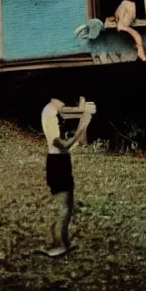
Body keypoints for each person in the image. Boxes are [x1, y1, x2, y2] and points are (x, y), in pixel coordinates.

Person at [42, 98, 93, 256]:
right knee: (64, 208)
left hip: (63, 162)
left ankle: (64, 243)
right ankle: (58, 245)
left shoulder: (55, 115)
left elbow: (73, 144)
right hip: (57, 165)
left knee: (68, 207)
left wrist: (83, 124)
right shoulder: (49, 116)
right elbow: (62, 145)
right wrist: (81, 127)